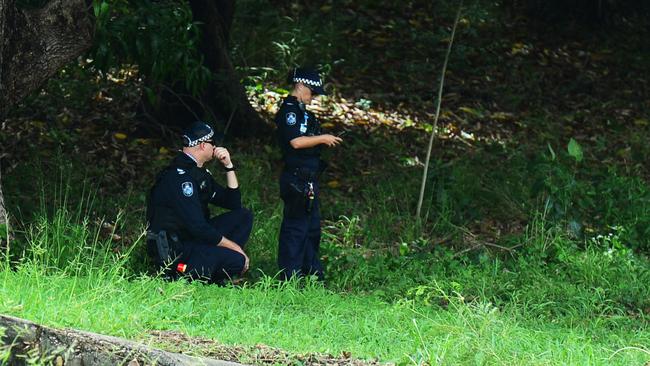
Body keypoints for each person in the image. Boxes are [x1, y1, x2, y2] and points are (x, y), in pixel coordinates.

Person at [146, 121, 253, 283]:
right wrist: (236, 248)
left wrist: (229, 166)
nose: (216, 148)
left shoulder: (197, 173)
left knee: (243, 216)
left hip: (193, 236)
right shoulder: (180, 178)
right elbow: (198, 227)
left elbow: (233, 203)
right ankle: (188, 272)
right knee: (236, 260)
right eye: (213, 144)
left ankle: (214, 264)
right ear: (203, 145)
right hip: (177, 248)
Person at [274, 67, 343, 281]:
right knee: (295, 229)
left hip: (310, 179)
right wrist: (322, 138)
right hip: (296, 178)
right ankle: (289, 277)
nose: (313, 98)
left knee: (312, 229)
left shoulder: (304, 112)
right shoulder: (289, 111)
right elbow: (295, 142)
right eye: (312, 93)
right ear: (300, 86)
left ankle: (311, 274)